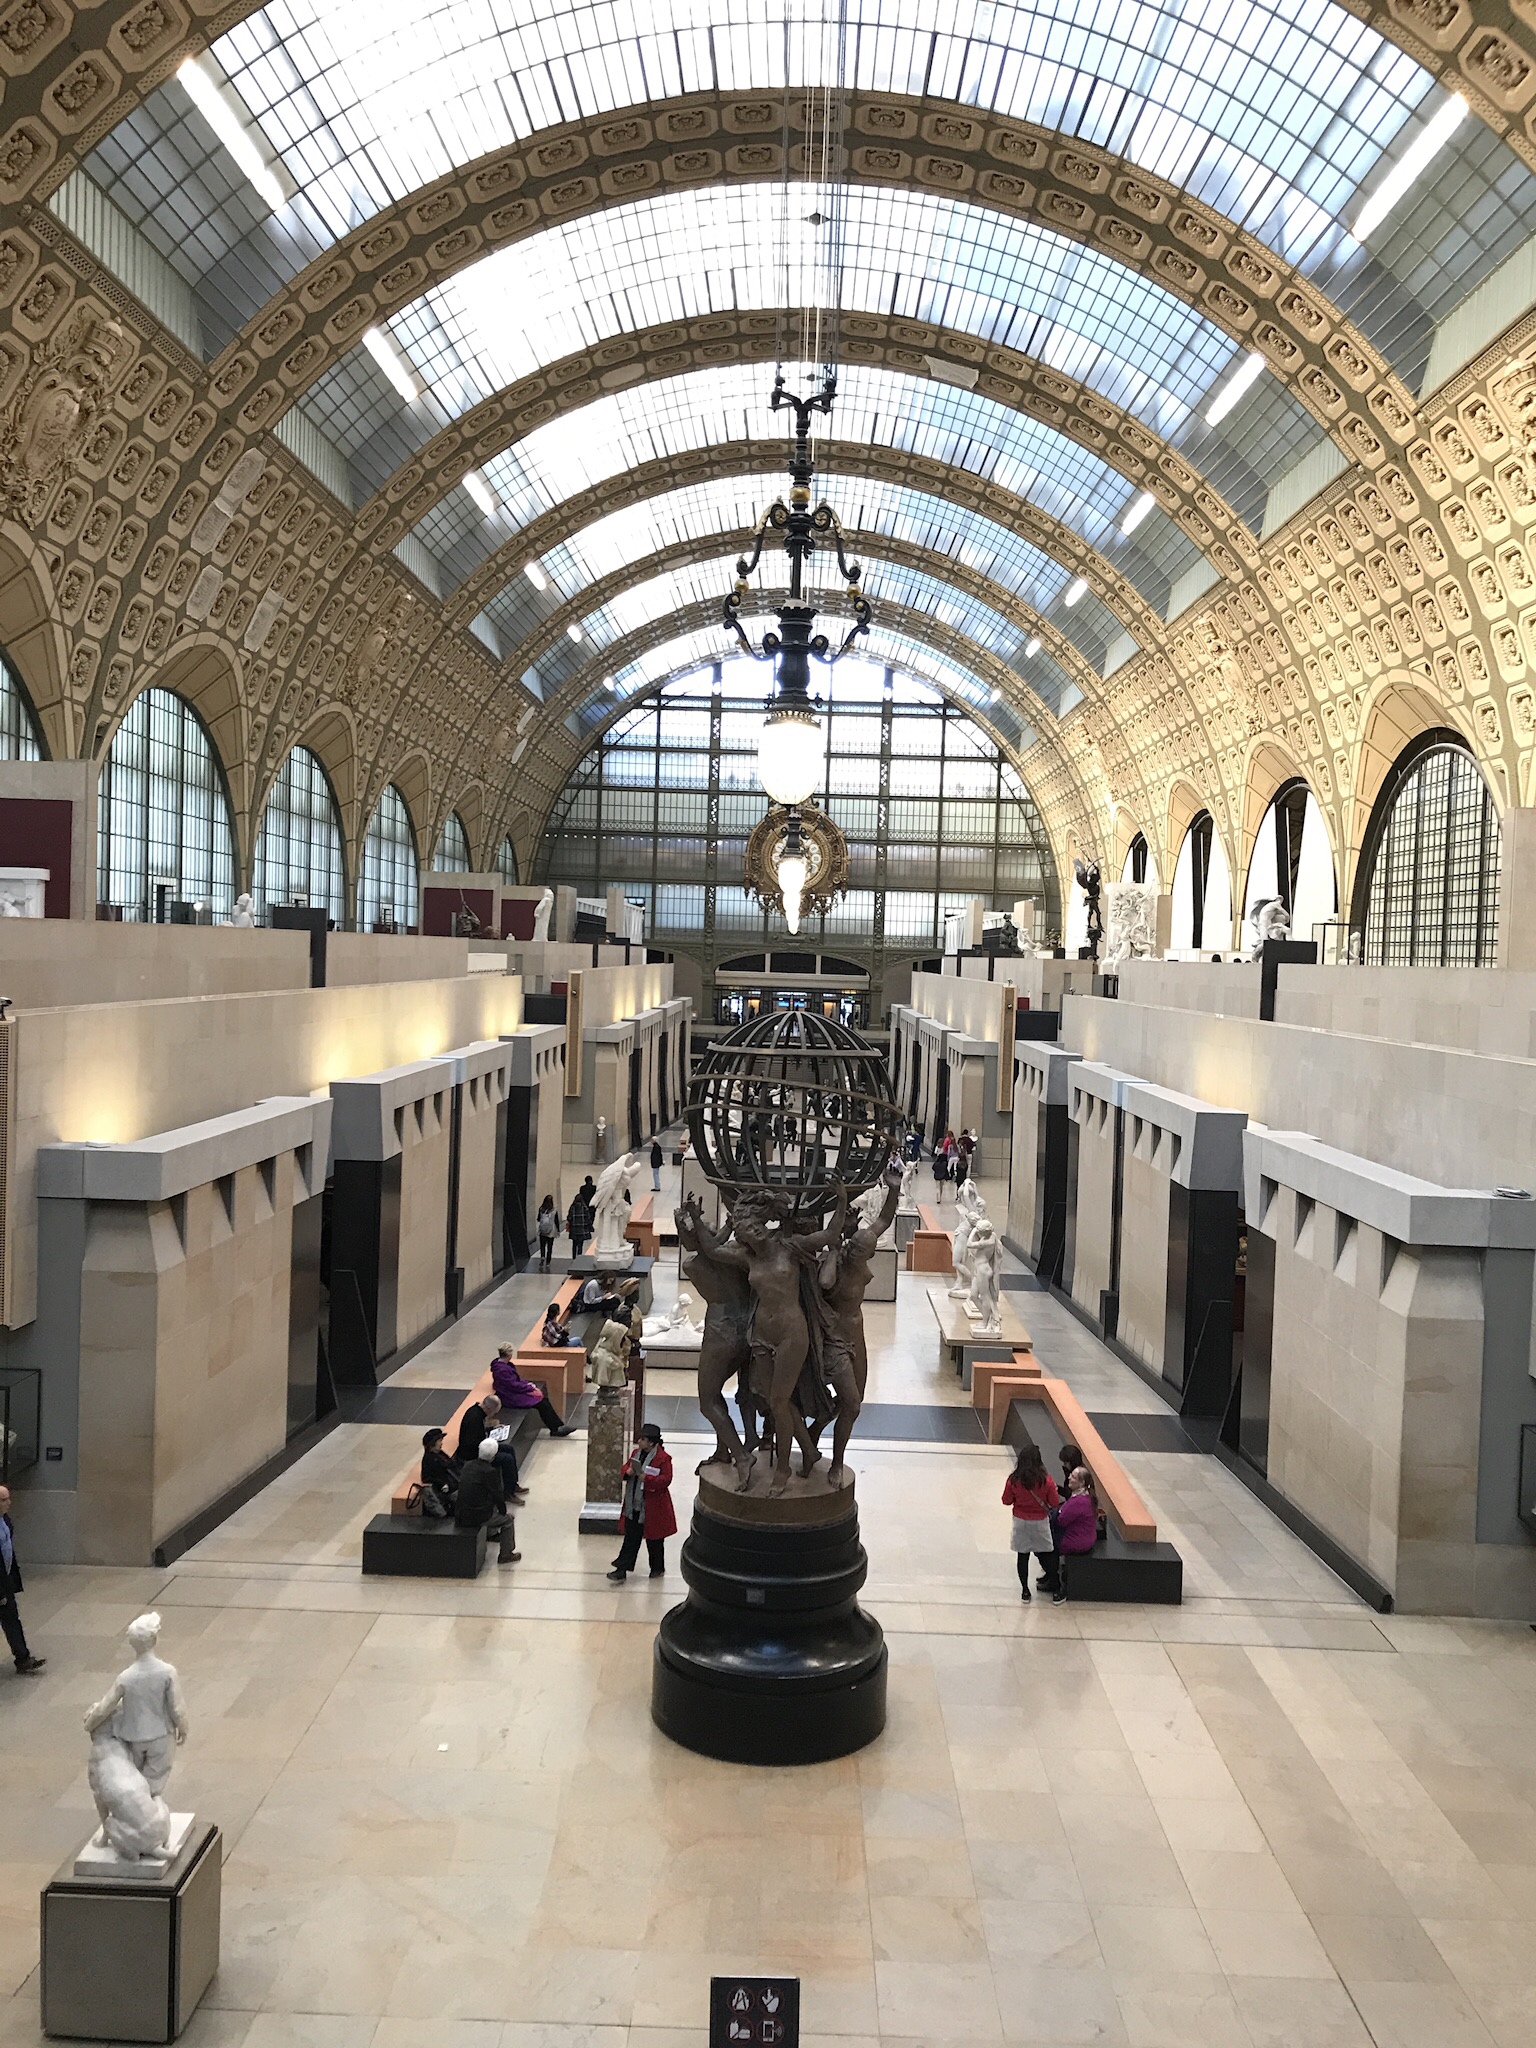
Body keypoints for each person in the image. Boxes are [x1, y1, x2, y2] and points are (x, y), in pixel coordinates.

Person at [607, 1423, 676, 1582]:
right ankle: (621, 1568)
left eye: (643, 1439)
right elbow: (625, 1468)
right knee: (631, 1537)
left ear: (651, 1443)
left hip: (652, 1507)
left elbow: (666, 1479)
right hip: (634, 1505)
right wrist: (628, 1472)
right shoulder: (636, 1454)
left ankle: (657, 1568)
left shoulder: (663, 1459)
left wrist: (648, 1479)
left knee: (655, 1540)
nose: (639, 1442)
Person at [1002, 1444, 1060, 1600]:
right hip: (1040, 1521)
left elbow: (1006, 1500)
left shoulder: (1013, 1480)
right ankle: (1055, 1587)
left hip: (1020, 1521)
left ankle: (1025, 1591)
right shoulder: (1046, 1481)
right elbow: (1054, 1502)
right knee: (1047, 1554)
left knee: (1023, 1556)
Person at [0, 1485, 44, 1675]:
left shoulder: (5, 1521)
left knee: (12, 1620)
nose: (9, 1503)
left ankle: (23, 1658)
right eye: (4, 1500)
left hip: (5, 1580)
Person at [454, 1439, 520, 1561]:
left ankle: (490, 1533)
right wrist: (503, 1512)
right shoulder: (490, 1472)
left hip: (461, 1512)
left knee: (486, 1503)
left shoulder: (468, 1465)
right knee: (508, 1520)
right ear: (494, 1456)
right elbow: (498, 1495)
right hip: (477, 1516)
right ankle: (506, 1554)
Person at [455, 1394, 527, 1503]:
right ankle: (508, 1493)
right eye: (494, 1412)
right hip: (474, 1454)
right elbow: (473, 1443)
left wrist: (491, 1429)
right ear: (488, 1409)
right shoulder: (475, 1418)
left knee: (509, 1449)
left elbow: (479, 1432)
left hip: (481, 1446)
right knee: (507, 1459)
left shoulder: (476, 1411)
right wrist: (491, 1444)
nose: (494, 1414)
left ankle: (512, 1484)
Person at [491, 1343, 575, 1435]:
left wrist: (527, 1384)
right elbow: (513, 1385)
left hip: (512, 1392)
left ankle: (557, 1426)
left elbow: (515, 1382)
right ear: (509, 1354)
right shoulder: (502, 1370)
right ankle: (556, 1428)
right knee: (541, 1403)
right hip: (510, 1396)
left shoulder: (503, 1366)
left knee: (543, 1401)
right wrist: (529, 1387)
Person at [1053, 1468, 1100, 1601]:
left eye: (1073, 1477)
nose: (1069, 1478)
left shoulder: (1078, 1502)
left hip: (1076, 1541)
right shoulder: (1087, 1497)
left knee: (1045, 1546)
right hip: (1086, 1537)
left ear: (1082, 1483)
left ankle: (1055, 1583)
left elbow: (1061, 1521)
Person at [418, 1428, 458, 1514]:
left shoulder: (440, 1454)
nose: (441, 1443)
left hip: (454, 1486)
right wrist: (441, 1484)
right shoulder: (429, 1459)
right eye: (439, 1441)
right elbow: (426, 1477)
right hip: (449, 1491)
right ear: (432, 1444)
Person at [566, 1176, 596, 1259]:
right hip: (591, 1208)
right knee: (580, 1244)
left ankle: (574, 1257)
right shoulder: (594, 1188)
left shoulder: (573, 1206)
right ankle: (579, 1257)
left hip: (574, 1229)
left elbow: (569, 1217)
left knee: (574, 1244)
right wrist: (589, 1226)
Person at [535, 1195, 559, 1272]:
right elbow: (556, 1221)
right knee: (549, 1247)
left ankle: (542, 1257)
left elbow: (538, 1219)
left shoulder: (541, 1209)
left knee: (542, 1245)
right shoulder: (554, 1210)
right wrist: (558, 1230)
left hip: (542, 1231)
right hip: (551, 1231)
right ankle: (548, 1262)